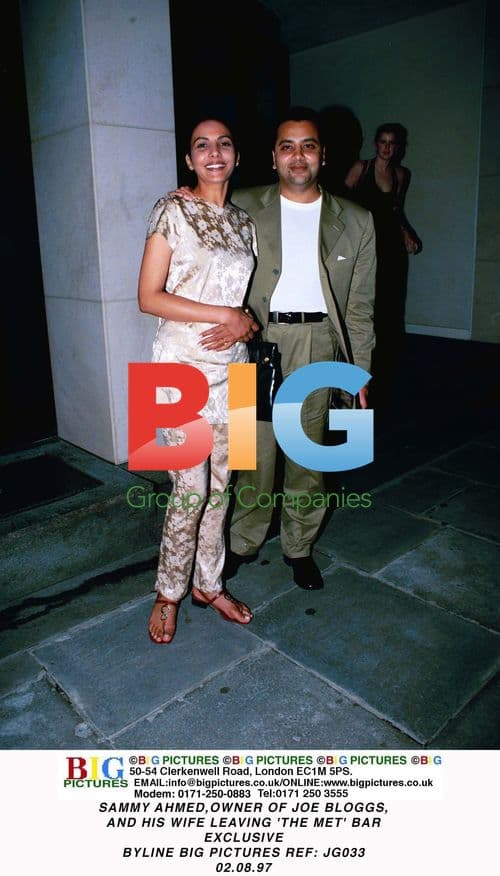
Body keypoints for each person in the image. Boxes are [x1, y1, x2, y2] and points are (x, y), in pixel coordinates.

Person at [203, 106, 376, 591]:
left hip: (319, 344)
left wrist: (359, 372)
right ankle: (244, 541)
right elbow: (199, 227)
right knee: (251, 455)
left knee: (309, 457)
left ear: (323, 155)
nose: (298, 156)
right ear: (273, 157)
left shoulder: (357, 220)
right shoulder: (242, 204)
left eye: (308, 146)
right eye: (287, 146)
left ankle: (299, 547)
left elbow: (360, 308)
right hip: (254, 340)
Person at [138, 117, 259, 644]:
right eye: (202, 145)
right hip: (177, 366)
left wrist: (244, 322)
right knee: (189, 489)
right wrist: (225, 316)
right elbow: (148, 297)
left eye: (224, 143)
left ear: (236, 155)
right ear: (189, 159)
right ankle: (168, 593)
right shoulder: (171, 210)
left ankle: (209, 584)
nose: (214, 153)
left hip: (236, 367)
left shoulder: (244, 223)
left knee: (223, 485)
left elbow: (239, 300)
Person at [344, 123, 421, 408]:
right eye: (383, 142)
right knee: (364, 307)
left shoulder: (401, 175)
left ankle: (381, 372)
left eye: (392, 143)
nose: (387, 147)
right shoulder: (360, 169)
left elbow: (396, 210)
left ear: (398, 147)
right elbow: (340, 205)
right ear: (376, 144)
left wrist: (406, 233)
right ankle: (355, 373)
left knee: (390, 309)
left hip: (390, 248)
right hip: (364, 246)